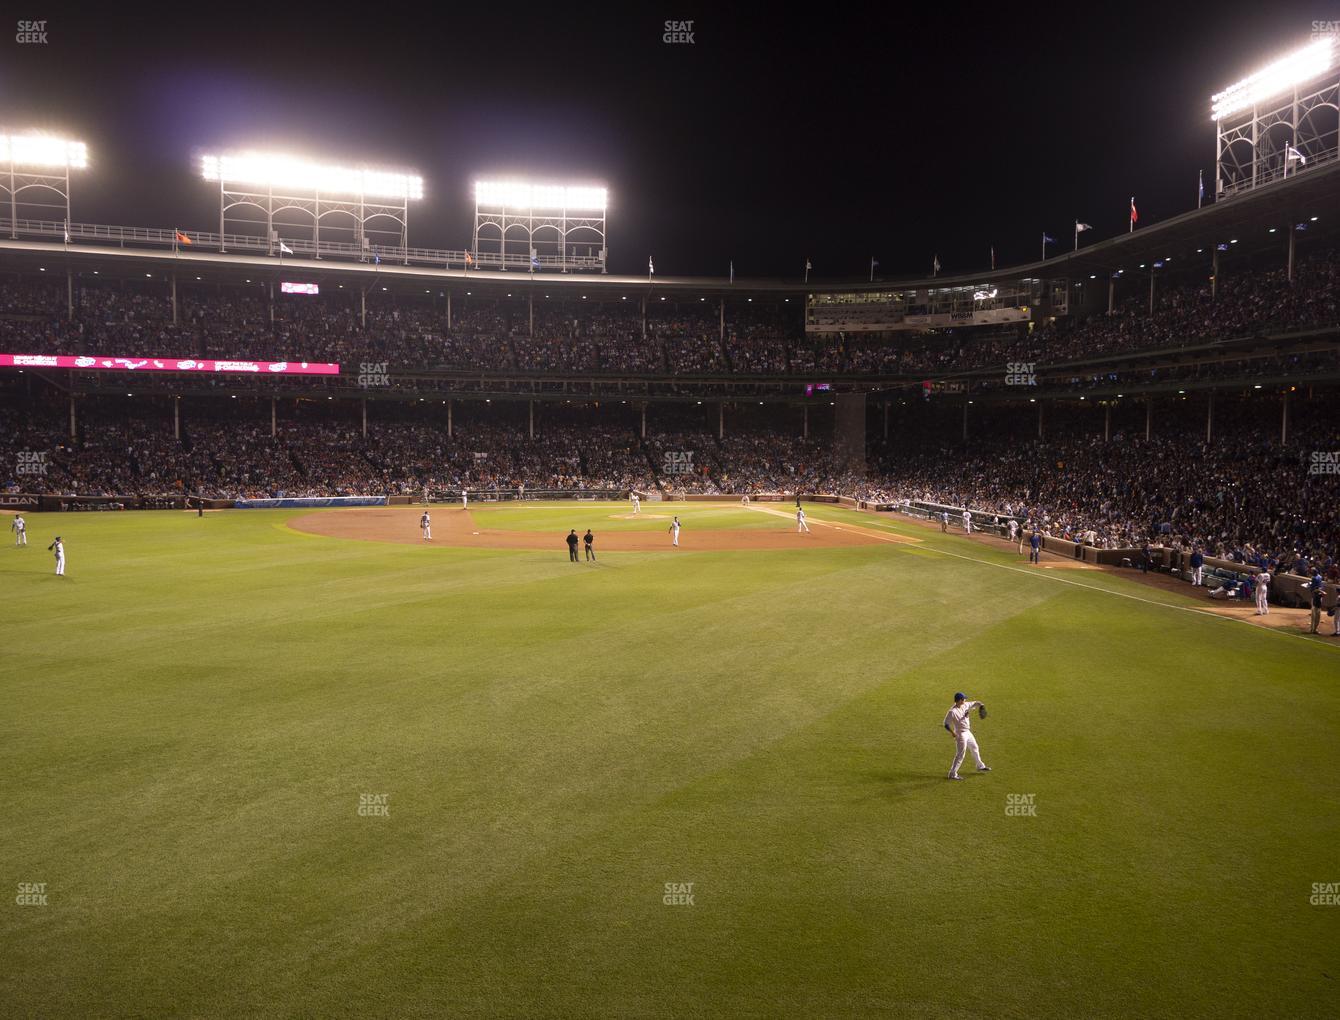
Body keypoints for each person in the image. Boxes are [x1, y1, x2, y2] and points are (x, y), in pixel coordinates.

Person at [943, 692, 990, 780]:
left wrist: (982, 706)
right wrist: (952, 733)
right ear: (960, 700)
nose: (965, 700)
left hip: (968, 732)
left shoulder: (965, 705)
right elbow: (945, 724)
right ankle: (952, 774)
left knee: (975, 747)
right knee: (960, 754)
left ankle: (980, 766)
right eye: (964, 699)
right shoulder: (952, 712)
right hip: (960, 734)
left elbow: (976, 702)